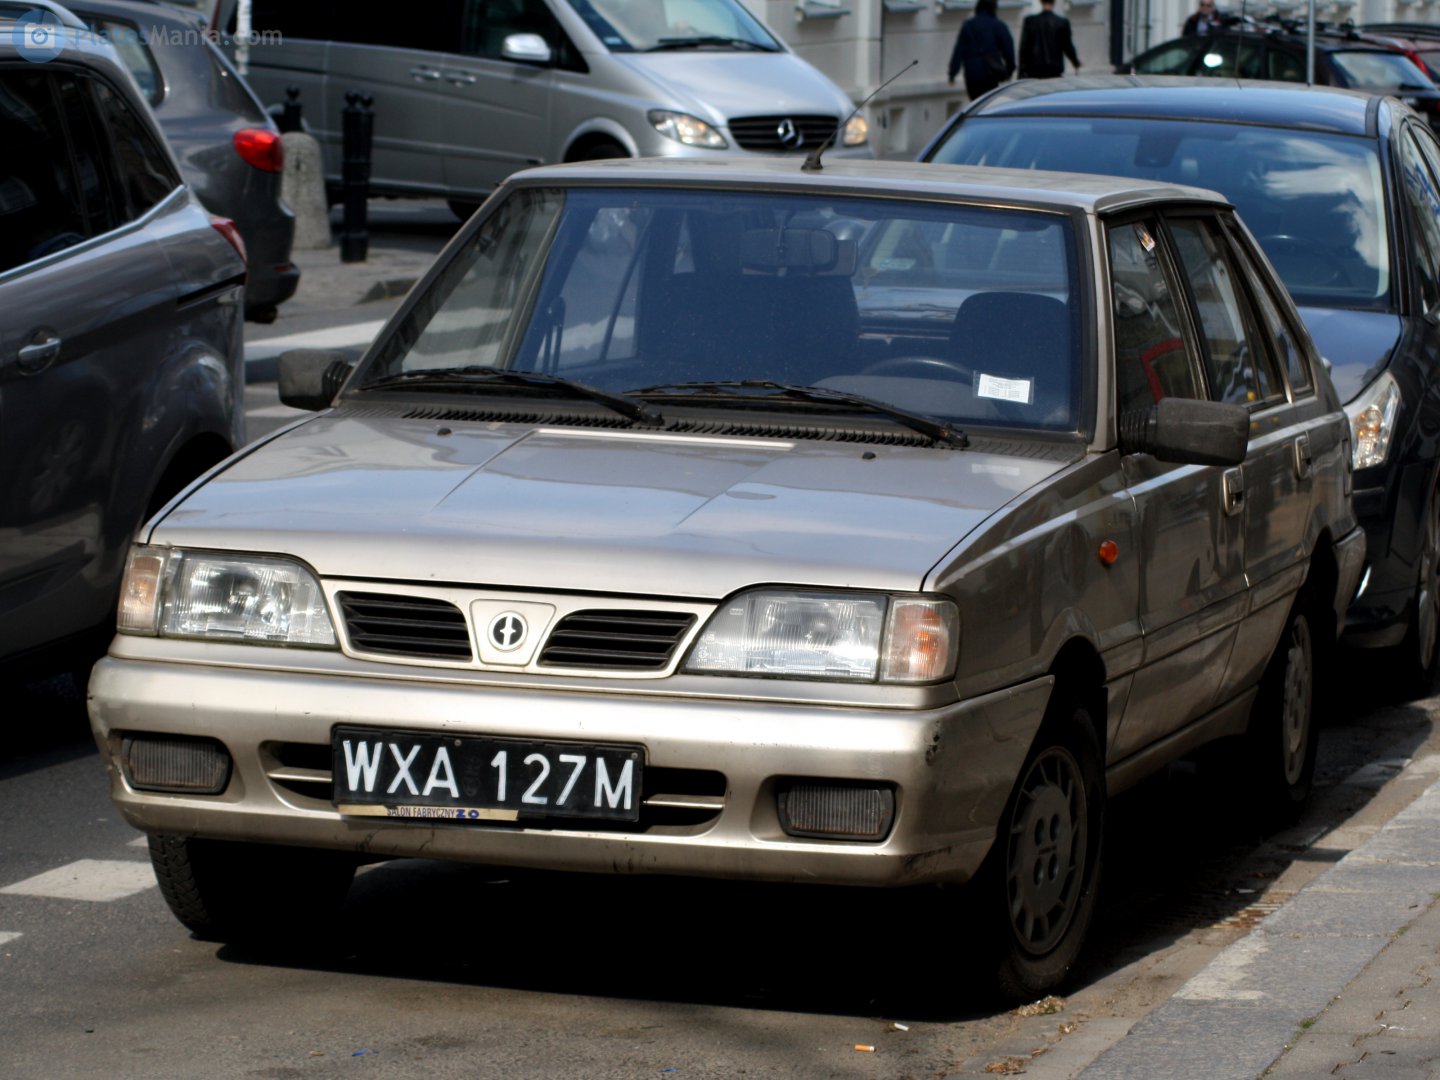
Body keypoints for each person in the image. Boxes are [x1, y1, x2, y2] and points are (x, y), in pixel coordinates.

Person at [948, 0, 1016, 101]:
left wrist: (952, 73)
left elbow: (959, 50)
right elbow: (1008, 49)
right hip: (991, 73)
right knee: (988, 103)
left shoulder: (969, 25)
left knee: (975, 104)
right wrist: (1009, 70)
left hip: (972, 74)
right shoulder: (998, 25)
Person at [1018, 0, 1080, 79]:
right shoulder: (1062, 22)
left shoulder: (1030, 21)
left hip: (1034, 70)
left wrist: (1021, 72)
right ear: (1054, 2)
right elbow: (1067, 46)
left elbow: (1024, 49)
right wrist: (1075, 62)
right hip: (1054, 69)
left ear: (1040, 1)